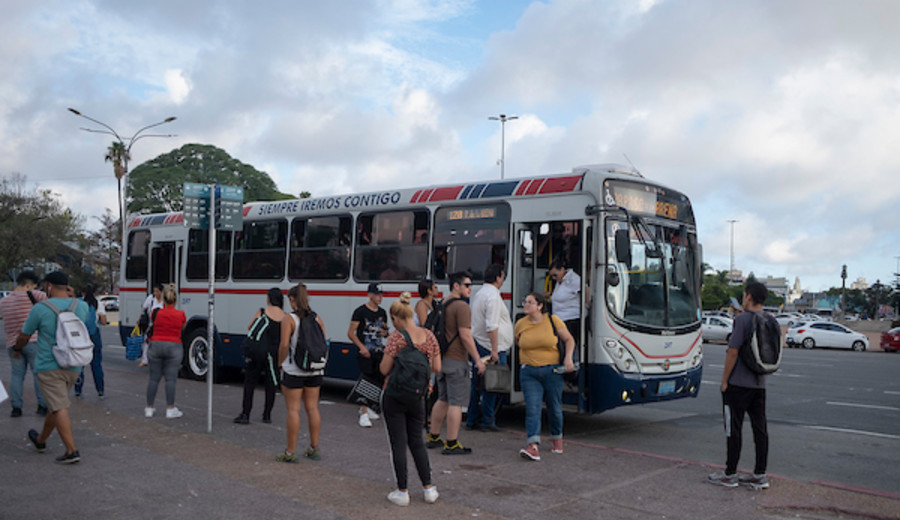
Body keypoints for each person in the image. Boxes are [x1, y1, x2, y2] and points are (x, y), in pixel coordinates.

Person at [17, 271, 89, 464]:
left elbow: (25, 335)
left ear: (48, 286)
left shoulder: (40, 308)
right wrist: (72, 296)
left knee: (58, 406)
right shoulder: (81, 306)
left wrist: (17, 348)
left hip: (49, 366)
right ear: (67, 286)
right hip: (74, 365)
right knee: (55, 405)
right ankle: (41, 440)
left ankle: (71, 451)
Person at [379, 292, 441, 506]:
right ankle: (429, 488)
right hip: (419, 395)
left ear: (396, 317)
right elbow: (437, 367)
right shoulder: (429, 336)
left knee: (398, 443)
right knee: (417, 442)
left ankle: (402, 491)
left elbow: (384, 368)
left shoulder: (396, 337)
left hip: (395, 396)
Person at [708, 282, 771, 490]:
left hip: (738, 385)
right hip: (760, 384)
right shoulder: (769, 319)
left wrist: (724, 380)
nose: (743, 298)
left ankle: (730, 473)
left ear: (749, 297)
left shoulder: (742, 320)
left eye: (744, 295)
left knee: (733, 429)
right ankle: (760, 474)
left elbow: (733, 351)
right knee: (760, 429)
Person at [426, 271, 485, 455]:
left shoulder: (443, 303)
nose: (470, 289)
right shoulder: (461, 306)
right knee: (456, 403)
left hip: (441, 360)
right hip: (456, 360)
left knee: (442, 399)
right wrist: (477, 359)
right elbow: (466, 336)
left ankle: (434, 436)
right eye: (467, 285)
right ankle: (451, 443)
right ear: (456, 286)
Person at [514, 292, 575, 461]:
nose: (526, 305)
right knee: (532, 408)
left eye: (530, 302)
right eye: (525, 301)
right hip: (529, 372)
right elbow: (518, 342)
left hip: (552, 371)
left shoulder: (553, 320)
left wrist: (568, 357)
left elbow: (569, 340)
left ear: (540, 306)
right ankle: (533, 445)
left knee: (554, 407)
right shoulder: (520, 324)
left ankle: (557, 439)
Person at [276, 283, 326, 462]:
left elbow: (283, 345)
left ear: (292, 299)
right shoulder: (317, 318)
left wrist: (279, 363)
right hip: (314, 369)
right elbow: (322, 344)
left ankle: (290, 452)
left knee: (293, 410)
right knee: (312, 408)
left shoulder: (289, 319)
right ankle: (314, 448)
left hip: (293, 370)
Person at [466, 263, 513, 432]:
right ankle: (487, 420)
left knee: (477, 385)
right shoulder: (492, 296)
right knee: (492, 385)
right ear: (499, 276)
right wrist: (494, 350)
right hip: (491, 347)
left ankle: (472, 419)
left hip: (480, 343)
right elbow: (492, 326)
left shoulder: (480, 292)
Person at [234, 288, 286, 425]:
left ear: (269, 298)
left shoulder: (262, 312)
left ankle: (245, 414)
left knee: (250, 382)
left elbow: (250, 327)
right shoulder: (285, 317)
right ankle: (267, 415)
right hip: (273, 354)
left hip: (258, 352)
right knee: (271, 384)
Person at [1, 271, 49, 417]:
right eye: (35, 286)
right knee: (38, 374)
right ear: (29, 285)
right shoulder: (35, 295)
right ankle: (42, 405)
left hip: (12, 344)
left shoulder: (3, 301)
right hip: (33, 340)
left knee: (16, 375)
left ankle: (16, 408)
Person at [347, 283, 389, 428]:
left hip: (378, 350)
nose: (380, 297)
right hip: (365, 351)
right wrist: (361, 347)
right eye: (377, 294)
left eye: (381, 294)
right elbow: (351, 333)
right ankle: (363, 413)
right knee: (366, 380)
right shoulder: (360, 312)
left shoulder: (382, 312)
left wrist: (385, 333)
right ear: (369, 294)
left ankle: (370, 408)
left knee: (377, 379)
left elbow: (384, 330)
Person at [145, 284, 186, 419]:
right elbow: (182, 327)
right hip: (174, 347)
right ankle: (170, 408)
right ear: (175, 299)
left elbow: (152, 322)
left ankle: (149, 408)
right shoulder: (181, 314)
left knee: (153, 378)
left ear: (163, 298)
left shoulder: (156, 313)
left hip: (156, 345)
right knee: (170, 379)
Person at [74, 285, 106, 398]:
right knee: (96, 363)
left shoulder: (76, 303)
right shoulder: (97, 302)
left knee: (80, 364)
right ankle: (100, 390)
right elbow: (103, 321)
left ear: (82, 292)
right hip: (94, 336)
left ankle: (78, 390)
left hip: (80, 336)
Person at [547, 258, 582, 348]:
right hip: (561, 320)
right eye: (552, 277)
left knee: (569, 346)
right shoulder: (561, 280)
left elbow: (585, 291)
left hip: (570, 320)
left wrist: (587, 307)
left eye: (555, 275)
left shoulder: (574, 279)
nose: (554, 278)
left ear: (562, 269)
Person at [139, 284, 164, 367]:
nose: (156, 293)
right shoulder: (151, 298)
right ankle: (145, 360)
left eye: (157, 291)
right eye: (154, 291)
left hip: (161, 325)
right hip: (151, 324)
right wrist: (139, 318)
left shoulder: (165, 300)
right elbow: (144, 308)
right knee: (146, 341)